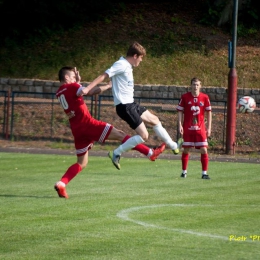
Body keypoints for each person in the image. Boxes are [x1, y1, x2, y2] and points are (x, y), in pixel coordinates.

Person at [54, 67, 164, 199]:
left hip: (77, 130)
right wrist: (107, 85)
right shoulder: (71, 86)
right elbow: (89, 91)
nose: (74, 78)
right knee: (121, 135)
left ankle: (62, 183)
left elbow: (77, 94)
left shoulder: (59, 92)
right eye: (72, 76)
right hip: (88, 124)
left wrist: (77, 81)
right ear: (67, 78)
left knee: (81, 163)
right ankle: (150, 153)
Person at [86, 42, 181, 156]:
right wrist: (87, 88)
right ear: (135, 56)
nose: (141, 61)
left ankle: (173, 146)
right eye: (141, 58)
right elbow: (104, 75)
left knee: (155, 120)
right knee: (144, 136)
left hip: (131, 104)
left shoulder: (126, 66)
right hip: (125, 106)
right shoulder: (121, 64)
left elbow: (112, 81)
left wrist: (108, 86)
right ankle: (116, 153)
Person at [177, 77, 212, 179]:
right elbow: (180, 111)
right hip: (188, 128)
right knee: (186, 150)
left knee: (204, 150)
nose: (195, 87)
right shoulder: (185, 97)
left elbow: (209, 112)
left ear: (200, 86)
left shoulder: (205, 97)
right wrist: (180, 125)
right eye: (193, 84)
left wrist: (209, 128)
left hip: (200, 129)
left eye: (197, 85)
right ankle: (184, 172)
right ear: (190, 85)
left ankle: (204, 173)